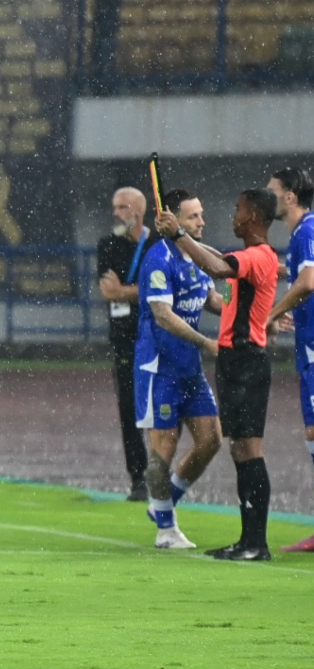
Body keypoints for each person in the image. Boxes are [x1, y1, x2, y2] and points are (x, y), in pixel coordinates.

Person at [156, 187, 279, 561]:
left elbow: (217, 266)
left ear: (254, 217)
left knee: (249, 449)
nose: (233, 215)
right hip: (235, 361)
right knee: (241, 449)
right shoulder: (254, 255)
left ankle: (256, 543)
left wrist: (179, 235)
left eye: (239, 209)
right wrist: (182, 235)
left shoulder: (258, 256)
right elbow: (216, 258)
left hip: (245, 361)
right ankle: (248, 541)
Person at [135, 188, 222, 549]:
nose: (201, 221)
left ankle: (164, 500)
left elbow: (214, 300)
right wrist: (206, 343)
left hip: (189, 368)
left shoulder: (196, 259)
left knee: (211, 440)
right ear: (171, 220)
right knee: (162, 453)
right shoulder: (159, 259)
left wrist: (256, 315)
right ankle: (166, 531)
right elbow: (163, 315)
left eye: (200, 215)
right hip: (160, 369)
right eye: (193, 216)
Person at [264, 167, 314, 553]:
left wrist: (270, 314)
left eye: (274, 192)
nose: (269, 199)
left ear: (291, 196)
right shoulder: (300, 235)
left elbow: (307, 282)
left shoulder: (308, 230)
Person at [96, 187, 154, 501]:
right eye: (114, 206)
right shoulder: (108, 246)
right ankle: (138, 476)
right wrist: (144, 290)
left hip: (155, 336)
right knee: (129, 409)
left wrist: (128, 290)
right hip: (123, 339)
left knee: (160, 406)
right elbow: (109, 292)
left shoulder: (157, 244)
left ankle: (161, 471)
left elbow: (164, 290)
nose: (116, 213)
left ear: (138, 211)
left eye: (122, 207)